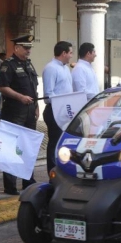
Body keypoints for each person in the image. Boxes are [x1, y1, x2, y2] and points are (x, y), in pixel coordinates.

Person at [0, 34, 40, 195]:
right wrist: (20, 97)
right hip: (14, 111)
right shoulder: (8, 65)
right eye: (25, 48)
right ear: (16, 48)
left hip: (29, 111)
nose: (28, 51)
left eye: (29, 48)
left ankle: (28, 179)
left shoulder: (28, 64)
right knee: (11, 147)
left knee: (28, 146)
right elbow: (2, 87)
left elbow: (33, 88)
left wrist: (36, 107)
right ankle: (10, 184)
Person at [42, 41, 74, 173]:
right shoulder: (51, 68)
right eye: (70, 53)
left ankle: (64, 169)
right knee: (55, 142)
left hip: (66, 110)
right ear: (63, 53)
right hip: (55, 111)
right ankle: (53, 172)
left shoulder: (65, 68)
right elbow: (48, 95)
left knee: (65, 143)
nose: (72, 56)